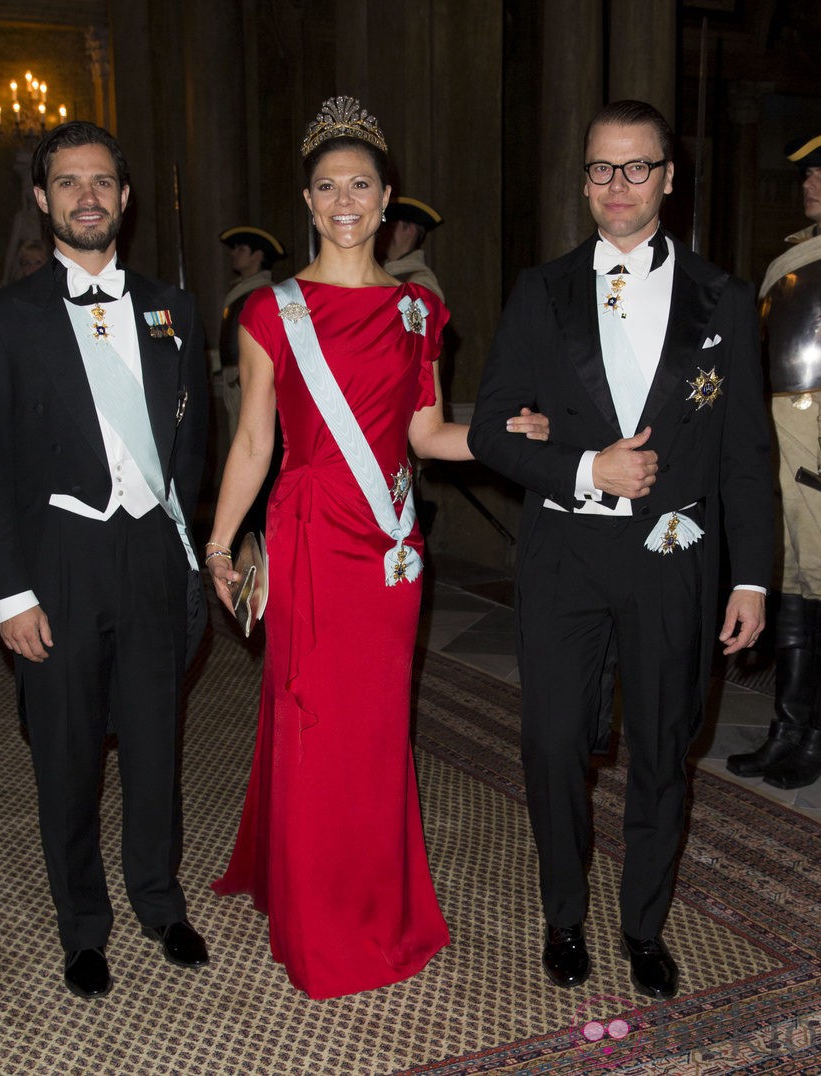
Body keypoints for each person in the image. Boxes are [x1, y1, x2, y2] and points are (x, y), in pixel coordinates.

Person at [205, 95, 547, 999]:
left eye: (360, 184)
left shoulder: (417, 312)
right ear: (308, 202)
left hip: (389, 547)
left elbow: (429, 434)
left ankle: (371, 901)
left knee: (374, 728)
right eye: (328, 186)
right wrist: (220, 538)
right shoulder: (270, 312)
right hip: (312, 532)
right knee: (316, 721)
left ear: (386, 196)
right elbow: (254, 442)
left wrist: (513, 440)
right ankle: (316, 917)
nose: (345, 199)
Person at [469, 100, 773, 1000]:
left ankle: (644, 925)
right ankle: (564, 915)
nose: (616, 187)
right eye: (600, 169)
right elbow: (489, 428)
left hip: (675, 560)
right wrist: (583, 465)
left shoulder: (724, 298)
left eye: (636, 168)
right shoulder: (541, 289)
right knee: (554, 743)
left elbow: (747, 454)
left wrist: (750, 575)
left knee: (663, 745)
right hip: (565, 553)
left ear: (669, 180)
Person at [0, 120, 210, 1000]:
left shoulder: (173, 307)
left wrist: (190, 550)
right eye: (69, 183)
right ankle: (83, 924)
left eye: (103, 181)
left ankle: (159, 901)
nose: (88, 197)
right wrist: (8, 595)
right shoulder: (0, 320)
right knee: (65, 752)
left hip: (150, 552)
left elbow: (193, 446)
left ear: (125, 199)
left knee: (153, 743)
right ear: (42, 198)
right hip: (56, 558)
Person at [727, 131, 821, 790]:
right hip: (788, 434)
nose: (810, 183)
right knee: (798, 584)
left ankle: (819, 736)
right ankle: (793, 731)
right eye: (808, 174)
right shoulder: (796, 261)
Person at [217, 226, 286, 441]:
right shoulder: (242, 290)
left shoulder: (264, 293)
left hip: (250, 378)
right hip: (235, 378)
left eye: (241, 249)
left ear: (258, 255)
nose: (233, 253)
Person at [381, 196, 445, 300]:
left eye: (391, 227)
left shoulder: (421, 282)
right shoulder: (378, 275)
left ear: (410, 230)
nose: (384, 233)